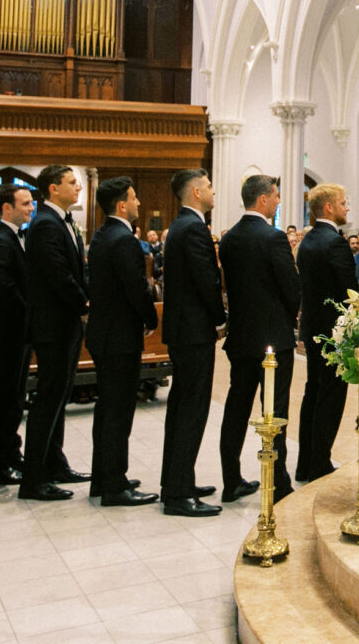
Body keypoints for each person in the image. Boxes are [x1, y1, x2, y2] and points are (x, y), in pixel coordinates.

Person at [218, 174, 301, 502]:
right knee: (275, 411)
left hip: (241, 338)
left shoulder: (229, 238)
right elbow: (291, 287)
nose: (278, 201)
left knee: (236, 408)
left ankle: (231, 479)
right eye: (276, 196)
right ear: (263, 199)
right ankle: (278, 484)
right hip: (274, 340)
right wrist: (290, 313)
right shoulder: (273, 237)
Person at [85, 176, 160, 506]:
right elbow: (136, 288)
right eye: (134, 198)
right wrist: (151, 318)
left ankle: (103, 477)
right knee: (118, 412)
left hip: (103, 333)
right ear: (121, 204)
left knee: (106, 410)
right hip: (119, 337)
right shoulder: (124, 239)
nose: (139, 204)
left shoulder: (102, 236)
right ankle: (115, 485)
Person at [20, 164, 91, 501]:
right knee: (48, 399)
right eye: (71, 182)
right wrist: (84, 303)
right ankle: (34, 479)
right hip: (53, 323)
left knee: (59, 396)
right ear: (52, 188)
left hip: (64, 322)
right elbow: (58, 275)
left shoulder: (59, 221)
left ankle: (55, 462)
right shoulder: (46, 224)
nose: (78, 187)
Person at [159, 168, 225, 517]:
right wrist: (220, 317)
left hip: (183, 330)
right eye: (210, 186)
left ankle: (175, 480)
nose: (214, 191)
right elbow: (205, 280)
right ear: (196, 192)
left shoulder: (182, 225)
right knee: (191, 409)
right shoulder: (193, 227)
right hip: (193, 330)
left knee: (182, 406)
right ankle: (178, 493)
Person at [295, 183, 356, 484]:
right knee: (331, 397)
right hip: (333, 331)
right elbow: (348, 290)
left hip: (312, 327)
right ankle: (320, 462)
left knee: (313, 393)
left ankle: (306, 462)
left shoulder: (308, 240)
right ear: (329, 207)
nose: (347, 208)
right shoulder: (334, 242)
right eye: (343, 203)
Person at [0, 183, 33, 485]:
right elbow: (5, 290)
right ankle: (0, 463)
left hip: (18, 332)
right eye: (25, 203)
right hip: (6, 333)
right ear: (6, 208)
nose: (30, 208)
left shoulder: (14, 238)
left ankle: (12, 454)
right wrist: (31, 311)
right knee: (4, 399)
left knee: (15, 398)